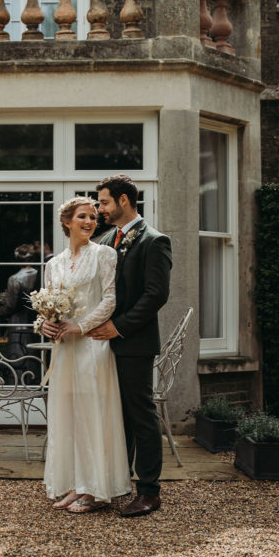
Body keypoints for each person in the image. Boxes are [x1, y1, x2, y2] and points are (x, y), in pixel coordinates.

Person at [87, 174, 172, 518]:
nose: (99, 209)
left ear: (124, 201)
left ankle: (149, 491)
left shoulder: (154, 241)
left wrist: (118, 327)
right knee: (113, 416)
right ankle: (115, 483)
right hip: (99, 343)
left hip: (134, 343)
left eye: (104, 202)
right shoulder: (105, 238)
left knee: (140, 414)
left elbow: (156, 295)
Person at [39, 197, 131, 513]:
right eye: (82, 216)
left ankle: (95, 489)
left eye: (93, 217)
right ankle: (73, 485)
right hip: (65, 350)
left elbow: (110, 300)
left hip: (93, 345)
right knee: (68, 416)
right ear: (67, 222)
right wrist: (44, 325)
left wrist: (80, 326)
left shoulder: (104, 255)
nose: (90, 222)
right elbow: (47, 304)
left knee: (92, 414)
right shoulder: (54, 263)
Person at [0, 243, 40, 369]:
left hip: (19, 319)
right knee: (34, 353)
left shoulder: (15, 279)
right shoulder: (39, 274)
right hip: (35, 319)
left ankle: (19, 379)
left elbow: (11, 304)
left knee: (18, 353)